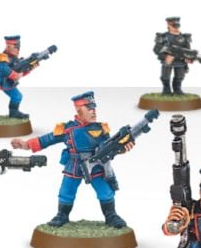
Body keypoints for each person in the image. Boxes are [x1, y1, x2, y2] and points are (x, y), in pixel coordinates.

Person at [12, 91, 132, 228]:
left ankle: (111, 215)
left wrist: (122, 148)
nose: (93, 111)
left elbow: (110, 148)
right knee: (66, 191)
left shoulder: (101, 129)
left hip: (96, 165)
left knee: (105, 191)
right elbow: (47, 140)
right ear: (79, 110)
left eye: (94, 108)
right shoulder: (67, 129)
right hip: (74, 164)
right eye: (89, 108)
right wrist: (26, 145)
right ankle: (62, 215)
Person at [153, 16, 194, 95]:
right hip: (167, 62)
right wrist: (166, 57)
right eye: (174, 26)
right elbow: (156, 49)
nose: (176, 28)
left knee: (180, 77)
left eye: (177, 26)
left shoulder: (185, 37)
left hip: (180, 61)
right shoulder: (163, 36)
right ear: (168, 25)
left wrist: (188, 57)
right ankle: (166, 90)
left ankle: (177, 90)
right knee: (165, 77)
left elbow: (188, 50)